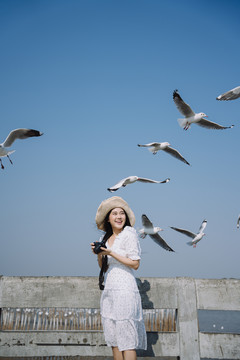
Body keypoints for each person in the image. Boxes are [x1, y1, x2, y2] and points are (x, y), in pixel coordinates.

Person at [91, 196, 147, 360]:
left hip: (125, 289)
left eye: (122, 213)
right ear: (108, 218)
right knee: (114, 338)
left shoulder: (129, 234)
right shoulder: (105, 238)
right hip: (110, 289)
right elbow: (104, 267)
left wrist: (111, 252)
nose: (119, 216)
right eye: (114, 213)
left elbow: (135, 264)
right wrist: (99, 254)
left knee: (127, 339)